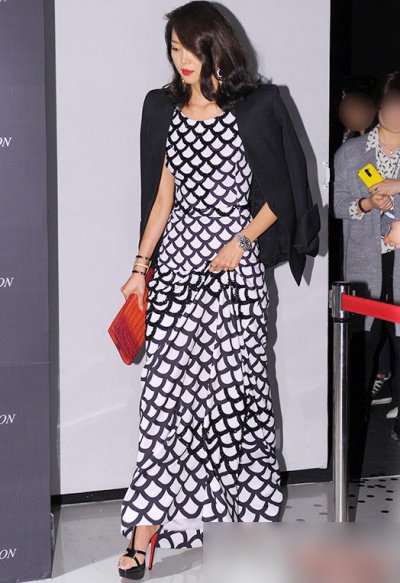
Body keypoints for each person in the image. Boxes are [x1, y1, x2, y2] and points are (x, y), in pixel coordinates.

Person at [117, 1, 319, 579]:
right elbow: (161, 199)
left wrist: (242, 240)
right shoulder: (162, 108)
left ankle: (248, 527)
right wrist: (140, 266)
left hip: (236, 272)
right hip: (178, 270)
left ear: (216, 47)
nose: (182, 60)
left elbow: (283, 190)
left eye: (191, 48)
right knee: (163, 402)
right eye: (174, 49)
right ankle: (145, 529)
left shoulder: (258, 105)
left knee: (236, 402)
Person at [333, 71, 400, 478]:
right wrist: (366, 203)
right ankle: (351, 431)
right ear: (379, 107)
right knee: (364, 347)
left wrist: (396, 186)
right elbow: (339, 205)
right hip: (365, 264)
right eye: (392, 105)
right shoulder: (353, 153)